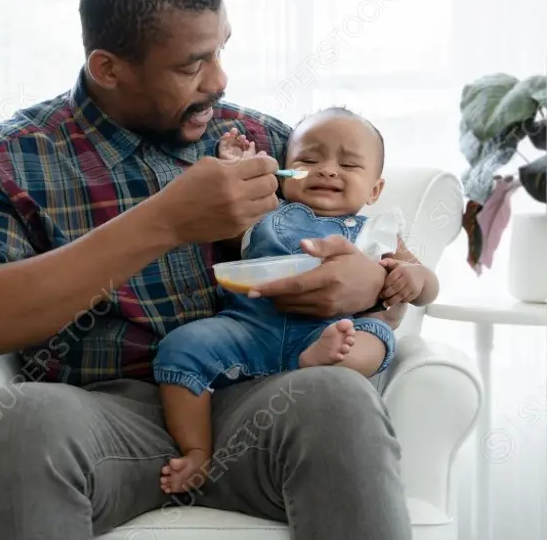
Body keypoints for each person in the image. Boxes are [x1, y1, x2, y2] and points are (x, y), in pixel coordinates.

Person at [0, 0, 414, 540]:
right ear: (108, 68)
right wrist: (164, 222)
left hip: (259, 404)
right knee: (20, 419)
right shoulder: (6, 164)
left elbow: (382, 248)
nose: (220, 80)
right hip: (103, 420)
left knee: (337, 400)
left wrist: (367, 280)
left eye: (221, 51)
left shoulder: (265, 140)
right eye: (191, 65)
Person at [154, 111, 440, 494]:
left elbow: (429, 287)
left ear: (374, 190)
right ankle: (196, 450)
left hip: (335, 333)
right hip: (251, 328)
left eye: (349, 164)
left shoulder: (379, 231)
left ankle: (322, 361)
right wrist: (236, 166)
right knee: (180, 346)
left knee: (374, 335)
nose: (327, 170)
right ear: (285, 174)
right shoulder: (265, 212)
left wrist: (412, 278)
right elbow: (226, 205)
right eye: (308, 161)